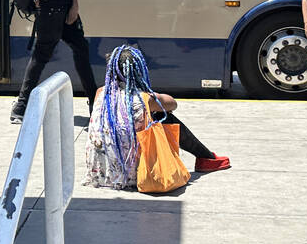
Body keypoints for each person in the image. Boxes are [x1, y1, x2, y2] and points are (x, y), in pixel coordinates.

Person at [86, 45, 229, 189]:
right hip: (135, 176)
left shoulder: (100, 93)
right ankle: (206, 158)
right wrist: (150, 99)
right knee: (163, 115)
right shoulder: (144, 99)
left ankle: (206, 157)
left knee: (146, 115)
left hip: (102, 175)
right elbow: (173, 103)